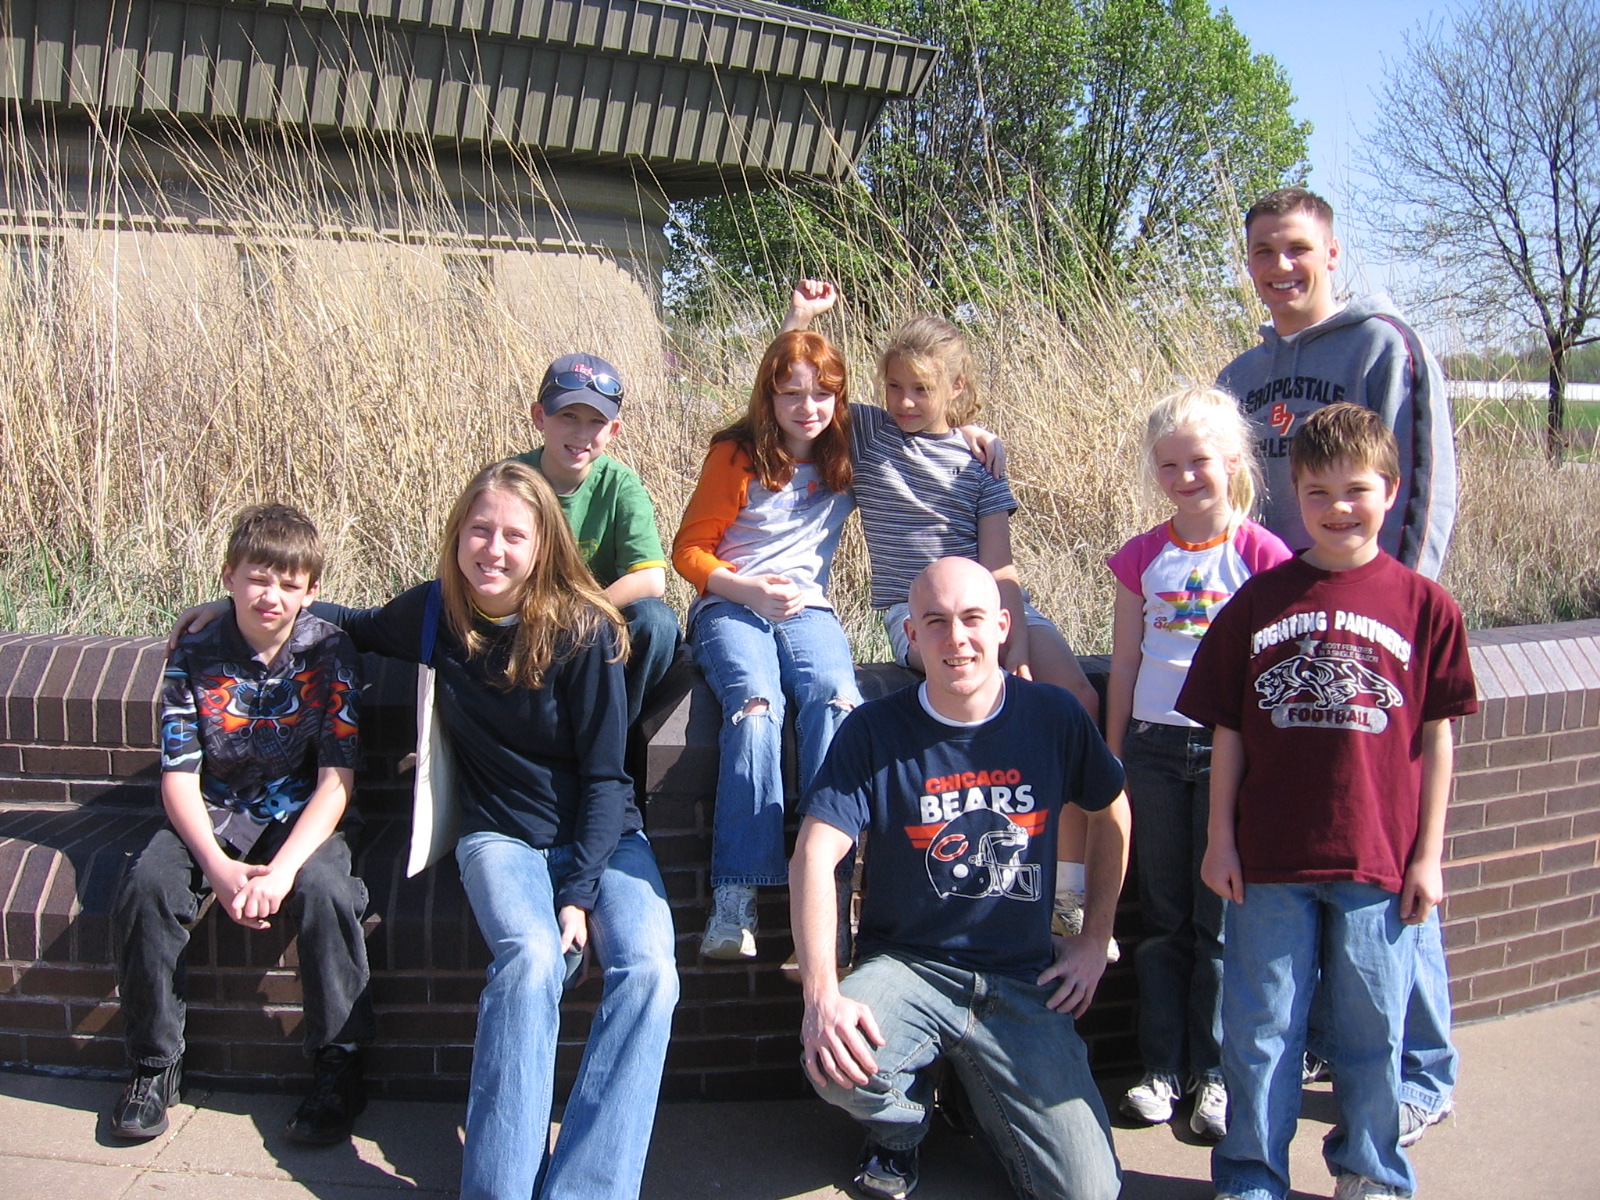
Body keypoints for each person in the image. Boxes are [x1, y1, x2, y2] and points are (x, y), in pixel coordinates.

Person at [172, 462, 679, 1199]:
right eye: (479, 530)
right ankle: (498, 1189)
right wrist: (224, 610)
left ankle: (588, 1189)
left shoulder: (586, 632)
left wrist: (580, 889)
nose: (493, 550)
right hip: (499, 834)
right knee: (532, 961)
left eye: (513, 534)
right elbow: (347, 621)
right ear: (457, 535)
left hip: (603, 836)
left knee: (651, 974)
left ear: (544, 544)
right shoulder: (438, 613)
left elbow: (607, 779)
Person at [1177, 404, 1477, 1200]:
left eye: (1355, 490)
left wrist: (1428, 857)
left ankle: (1370, 1172)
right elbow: (1230, 732)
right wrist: (1220, 840)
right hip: (1270, 857)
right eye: (1317, 492)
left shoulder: (1426, 607)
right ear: (1292, 494)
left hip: (1376, 859)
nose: (1338, 508)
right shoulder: (1259, 601)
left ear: (1392, 489)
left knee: (1372, 1033)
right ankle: (1250, 1176)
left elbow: (1438, 739)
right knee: (1260, 1031)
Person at [1219, 186, 1461, 1140]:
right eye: (1263, 253)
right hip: (1281, 635)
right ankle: (1345, 1051)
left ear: (1332, 254)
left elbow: (1421, 488)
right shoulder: (1242, 373)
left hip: (1374, 638)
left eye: (1297, 250)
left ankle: (1423, 1072)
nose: (1280, 268)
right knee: (1320, 849)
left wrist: (1398, 619)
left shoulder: (1383, 348)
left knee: (1392, 850)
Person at [782, 282, 1108, 955]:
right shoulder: (869, 432)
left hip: (988, 603)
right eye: (894, 386)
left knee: (1075, 695)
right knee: (967, 678)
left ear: (957, 389)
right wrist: (800, 319)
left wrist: (1010, 638)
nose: (903, 401)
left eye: (920, 390)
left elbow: (1001, 567)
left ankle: (1067, 894)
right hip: (919, 610)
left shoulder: (981, 464)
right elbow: (792, 391)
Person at [791, 556, 1130, 1200]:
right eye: (936, 623)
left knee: (1089, 1193)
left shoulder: (1053, 717)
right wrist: (822, 995)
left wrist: (1093, 937)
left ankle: (982, 1094)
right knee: (836, 1067)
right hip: (908, 968)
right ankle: (902, 1127)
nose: (957, 640)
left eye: (973, 619)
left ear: (1003, 626)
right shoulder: (874, 729)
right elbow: (814, 854)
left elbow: (1111, 808)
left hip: (1021, 980)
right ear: (911, 636)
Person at [112, 504, 372, 1144]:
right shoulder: (193, 652)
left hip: (302, 810)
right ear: (229, 575)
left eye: (289, 583)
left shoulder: (330, 651)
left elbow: (338, 778)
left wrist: (281, 871)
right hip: (215, 809)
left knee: (327, 892)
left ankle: (338, 1067)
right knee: (148, 886)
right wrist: (219, 870)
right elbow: (177, 775)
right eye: (258, 577)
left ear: (312, 592)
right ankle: (153, 1064)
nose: (271, 595)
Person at [1105, 388, 1293, 1141]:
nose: (1186, 478)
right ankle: (1162, 1069)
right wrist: (1112, 752)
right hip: (1151, 748)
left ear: (1234, 464)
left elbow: (1275, 665)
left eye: (1201, 462)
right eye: (1170, 465)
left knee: (1219, 925)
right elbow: (1124, 659)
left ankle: (1216, 1076)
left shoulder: (1261, 554)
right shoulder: (1140, 557)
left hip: (1228, 755)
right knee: (1163, 921)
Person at [672, 330, 863, 960]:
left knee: (836, 700)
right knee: (756, 706)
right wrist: (746, 590)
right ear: (769, 397)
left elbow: (923, 426)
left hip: (809, 609)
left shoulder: (846, 451)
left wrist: (973, 436)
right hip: (731, 604)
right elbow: (689, 551)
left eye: (822, 394)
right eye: (791, 394)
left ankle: (828, 895)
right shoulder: (737, 454)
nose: (808, 407)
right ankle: (737, 895)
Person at [511, 352, 680, 728]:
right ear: (540, 417)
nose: (581, 433)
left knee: (657, 623)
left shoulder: (621, 485)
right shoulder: (511, 481)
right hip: (525, 617)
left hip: (593, 624)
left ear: (613, 431)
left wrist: (578, 616)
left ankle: (613, 742)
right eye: (568, 416)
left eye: (596, 422)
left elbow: (651, 579)